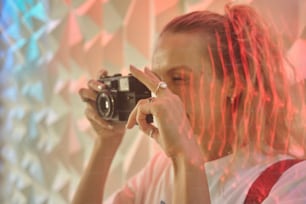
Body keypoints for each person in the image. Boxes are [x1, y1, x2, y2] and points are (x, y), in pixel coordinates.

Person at [73, 4, 306, 204]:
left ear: (234, 84)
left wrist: (185, 158)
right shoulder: (160, 169)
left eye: (179, 79)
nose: (162, 95)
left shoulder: (290, 180)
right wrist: (106, 143)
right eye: (158, 81)